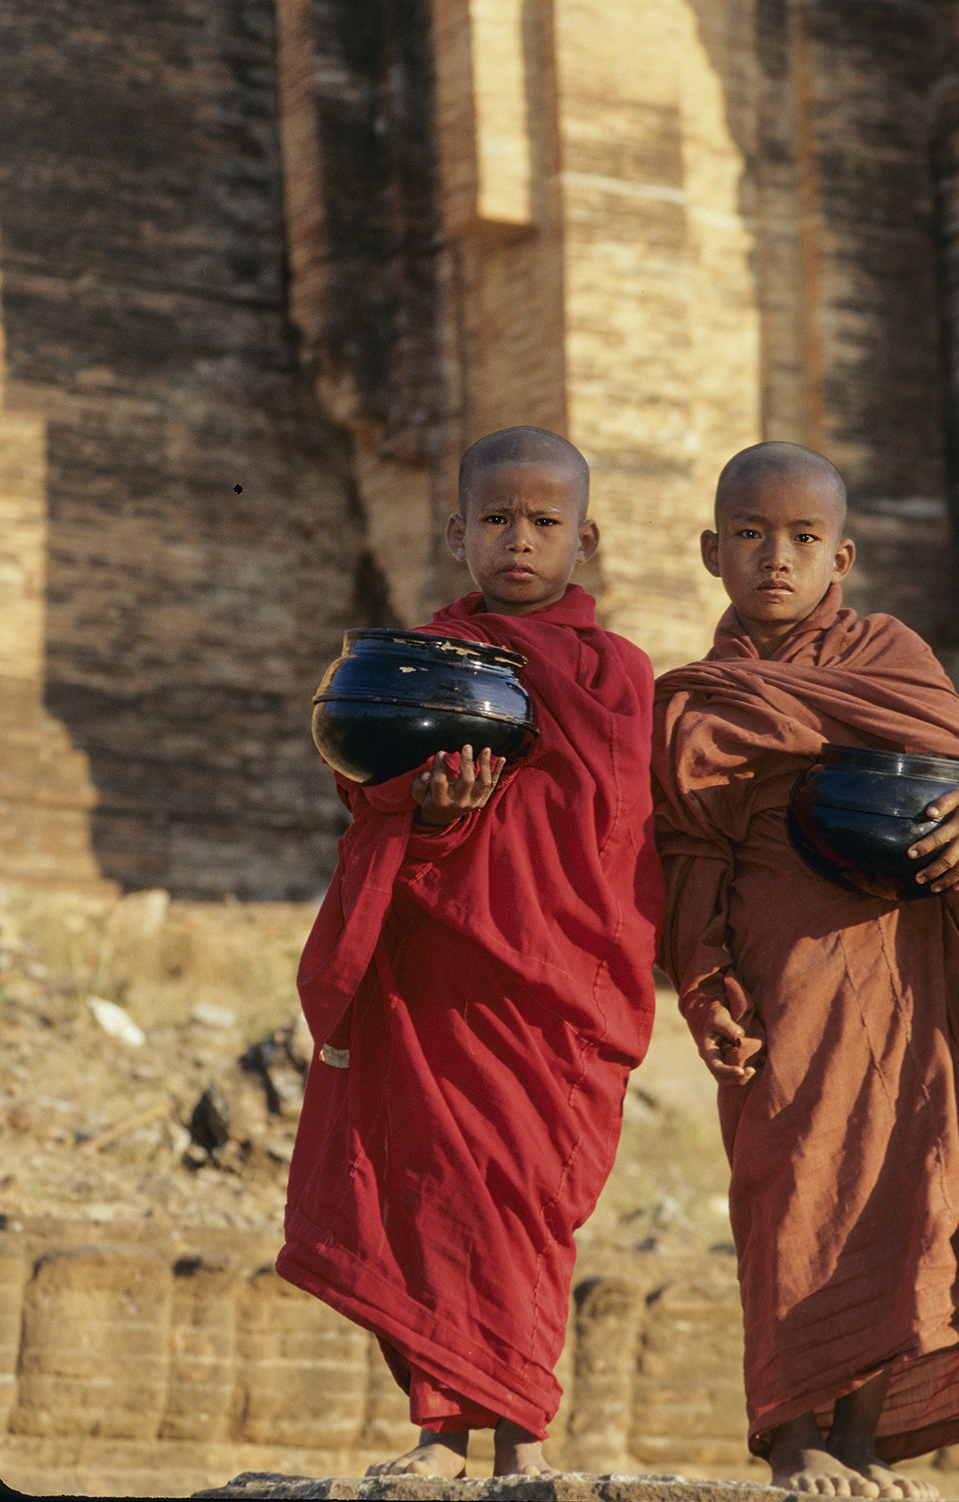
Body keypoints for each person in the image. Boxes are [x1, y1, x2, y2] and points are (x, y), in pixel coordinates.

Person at [652, 441, 959, 1500]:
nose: (777, 557)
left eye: (803, 538)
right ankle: (795, 1434)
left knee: (912, 1186)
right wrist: (706, 981)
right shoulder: (700, 700)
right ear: (712, 548)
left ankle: (859, 1437)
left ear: (841, 554)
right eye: (752, 535)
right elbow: (689, 853)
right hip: (782, 978)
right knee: (792, 1186)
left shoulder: (888, 651)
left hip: (905, 974)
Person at [277, 427, 662, 1479]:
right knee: (437, 1183)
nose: (520, 540)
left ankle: (525, 1434)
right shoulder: (419, 657)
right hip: (443, 969)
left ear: (587, 537)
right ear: (458, 531)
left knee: (530, 1201)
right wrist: (431, 814)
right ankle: (442, 1428)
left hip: (564, 988)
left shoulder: (623, 677)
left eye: (545, 521)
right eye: (497, 518)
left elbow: (630, 831)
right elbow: (367, 788)